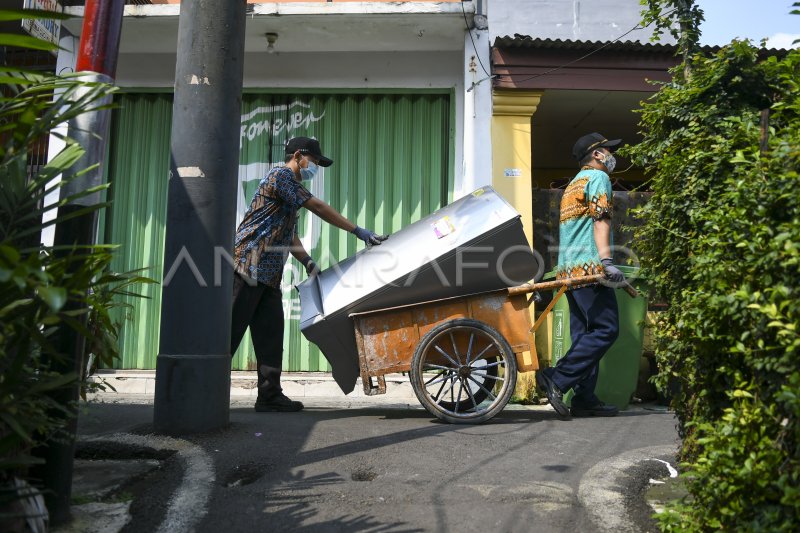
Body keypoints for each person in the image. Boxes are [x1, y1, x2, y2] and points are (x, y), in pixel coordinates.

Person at [231, 136, 388, 412]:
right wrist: (358, 231)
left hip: (268, 275)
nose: (314, 168)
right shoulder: (281, 177)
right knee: (228, 333)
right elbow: (317, 206)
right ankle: (200, 391)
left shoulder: (291, 191)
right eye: (314, 162)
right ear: (299, 156)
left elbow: (289, 235)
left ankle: (269, 396)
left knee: (270, 336)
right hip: (247, 266)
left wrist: (307, 262)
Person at [536, 132, 626, 418]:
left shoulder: (573, 184)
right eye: (608, 150)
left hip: (568, 269)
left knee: (585, 335)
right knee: (605, 330)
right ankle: (557, 378)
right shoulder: (598, 179)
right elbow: (601, 220)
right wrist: (607, 261)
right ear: (597, 154)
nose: (613, 154)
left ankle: (585, 397)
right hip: (588, 270)